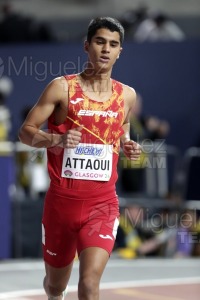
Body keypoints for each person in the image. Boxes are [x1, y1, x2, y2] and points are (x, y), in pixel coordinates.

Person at [18, 17, 141, 300]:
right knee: (55, 286)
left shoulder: (127, 96)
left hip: (102, 204)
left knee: (88, 285)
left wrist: (126, 143)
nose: (106, 49)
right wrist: (56, 140)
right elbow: (25, 133)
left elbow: (121, 126)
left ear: (120, 50)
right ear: (87, 46)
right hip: (61, 205)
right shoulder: (62, 88)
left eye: (113, 44)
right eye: (100, 42)